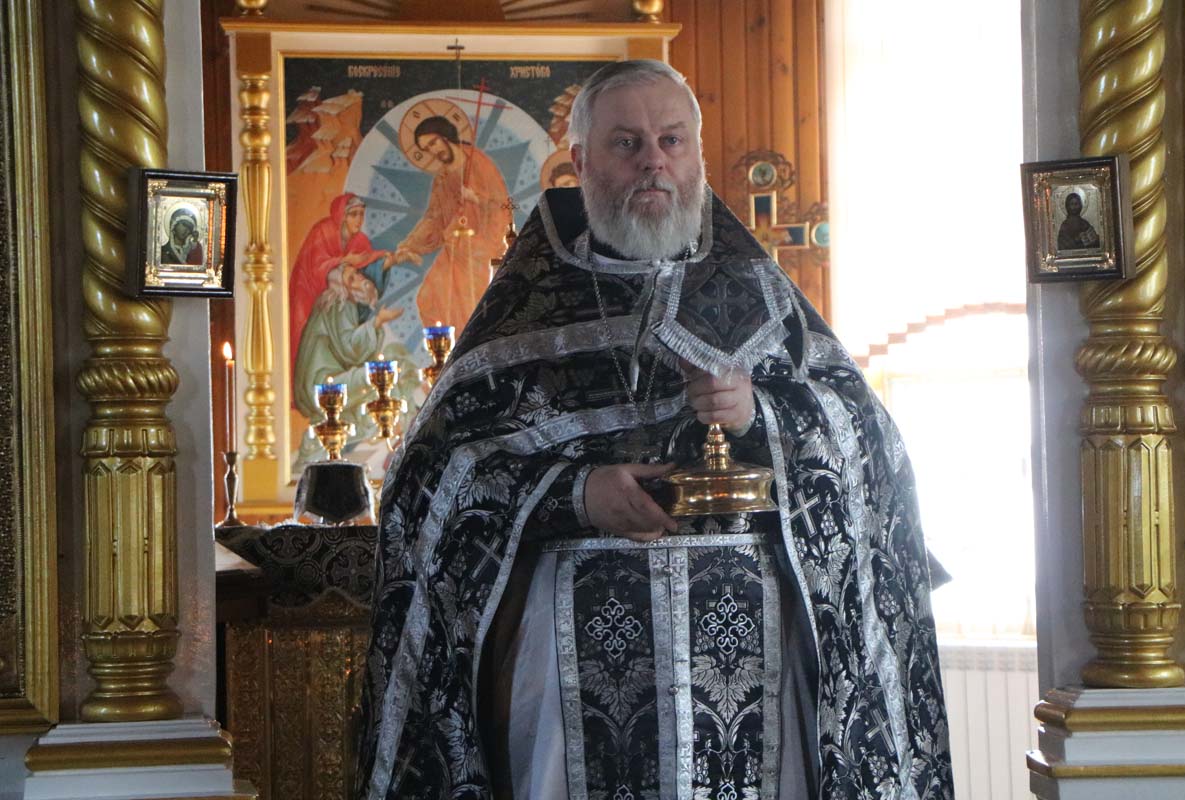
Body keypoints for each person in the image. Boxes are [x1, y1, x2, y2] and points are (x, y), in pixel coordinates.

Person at [358, 60, 952, 800]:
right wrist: (574, 495)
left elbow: (869, 448)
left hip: (754, 655)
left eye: (672, 140)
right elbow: (431, 481)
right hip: (567, 663)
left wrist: (757, 413)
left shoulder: (757, 294)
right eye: (627, 143)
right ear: (581, 162)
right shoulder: (526, 311)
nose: (654, 161)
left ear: (696, 153)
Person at [392, 115, 510, 333]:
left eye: (433, 142)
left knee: (471, 304)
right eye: (427, 149)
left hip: (483, 248)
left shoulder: (478, 163)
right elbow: (434, 218)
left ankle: (471, 344)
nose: (433, 151)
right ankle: (449, 350)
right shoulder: (443, 178)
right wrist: (409, 245)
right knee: (427, 298)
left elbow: (502, 205)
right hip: (456, 249)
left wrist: (476, 199)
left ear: (445, 136)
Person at [292, 265, 402, 463]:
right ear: (342, 287)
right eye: (351, 278)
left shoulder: (337, 303)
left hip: (326, 381)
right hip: (324, 385)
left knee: (379, 381)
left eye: (356, 273)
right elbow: (350, 349)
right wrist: (377, 321)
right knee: (379, 380)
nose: (360, 278)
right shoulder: (341, 303)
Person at [288, 193, 399, 380]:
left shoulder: (360, 241)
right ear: (342, 216)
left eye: (361, 214)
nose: (359, 220)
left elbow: (367, 270)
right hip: (309, 293)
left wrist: (387, 261)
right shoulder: (323, 232)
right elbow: (314, 267)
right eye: (353, 214)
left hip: (341, 299)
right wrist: (344, 260)